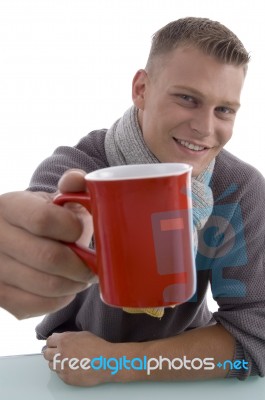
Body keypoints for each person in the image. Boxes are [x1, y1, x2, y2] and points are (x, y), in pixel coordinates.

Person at [1, 17, 264, 385]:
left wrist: (117, 364)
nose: (205, 128)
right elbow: (40, 214)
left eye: (224, 110)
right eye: (187, 98)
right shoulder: (79, 171)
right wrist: (32, 246)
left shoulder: (240, 189)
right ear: (141, 89)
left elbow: (257, 339)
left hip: (189, 373)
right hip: (68, 361)